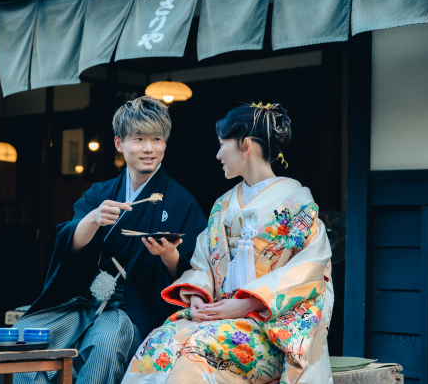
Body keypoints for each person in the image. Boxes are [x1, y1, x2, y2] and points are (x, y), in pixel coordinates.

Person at [122, 103, 334, 384]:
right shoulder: (223, 205)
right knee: (157, 342)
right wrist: (198, 298)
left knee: (192, 353)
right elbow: (203, 263)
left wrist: (246, 305)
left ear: (245, 144)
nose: (218, 154)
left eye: (223, 144)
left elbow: (308, 273)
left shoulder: (300, 206)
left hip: (266, 327)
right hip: (219, 319)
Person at [15, 96, 207, 384]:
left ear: (165, 144)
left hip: (134, 307)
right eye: (138, 139)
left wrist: (170, 256)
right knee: (24, 336)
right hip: (84, 300)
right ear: (119, 143)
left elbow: (197, 269)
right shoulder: (100, 194)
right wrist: (93, 219)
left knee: (106, 340)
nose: (148, 148)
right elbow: (69, 246)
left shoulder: (181, 201)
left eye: (156, 139)